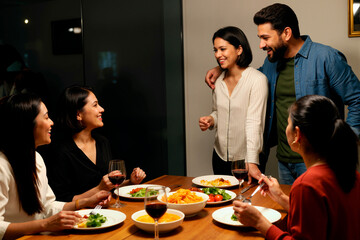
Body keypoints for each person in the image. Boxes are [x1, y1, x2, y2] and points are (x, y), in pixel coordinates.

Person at [205, 3, 360, 184]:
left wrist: (346, 141)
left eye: (265, 38)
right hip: (284, 160)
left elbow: (357, 99)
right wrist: (222, 67)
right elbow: (249, 75)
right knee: (291, 211)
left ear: (286, 33)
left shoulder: (326, 57)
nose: (261, 45)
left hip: (318, 161)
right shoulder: (271, 63)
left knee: (319, 211)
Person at [233, 95, 360, 239]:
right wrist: (280, 196)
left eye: (288, 123)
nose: (285, 128)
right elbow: (317, 218)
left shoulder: (306, 184)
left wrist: (259, 222)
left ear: (297, 134)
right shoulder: (352, 174)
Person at [0, 93, 110, 239]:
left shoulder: (36, 158)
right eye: (46, 117)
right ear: (27, 124)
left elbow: (48, 206)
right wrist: (45, 225)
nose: (51, 122)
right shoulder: (2, 165)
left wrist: (86, 202)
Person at [43, 86, 146, 202]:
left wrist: (131, 182)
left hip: (107, 212)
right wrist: (99, 189)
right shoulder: (61, 151)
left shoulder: (102, 142)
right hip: (81, 217)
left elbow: (108, 188)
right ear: (78, 115)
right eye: (95, 105)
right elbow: (62, 201)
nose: (101, 109)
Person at [199, 26, 268, 177]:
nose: (218, 55)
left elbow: (255, 123)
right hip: (219, 156)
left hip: (247, 159)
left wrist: (252, 161)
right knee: (220, 199)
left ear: (239, 49)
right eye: (215, 50)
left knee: (247, 200)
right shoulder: (217, 81)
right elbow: (218, 112)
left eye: (223, 49)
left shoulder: (257, 80)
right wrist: (211, 119)